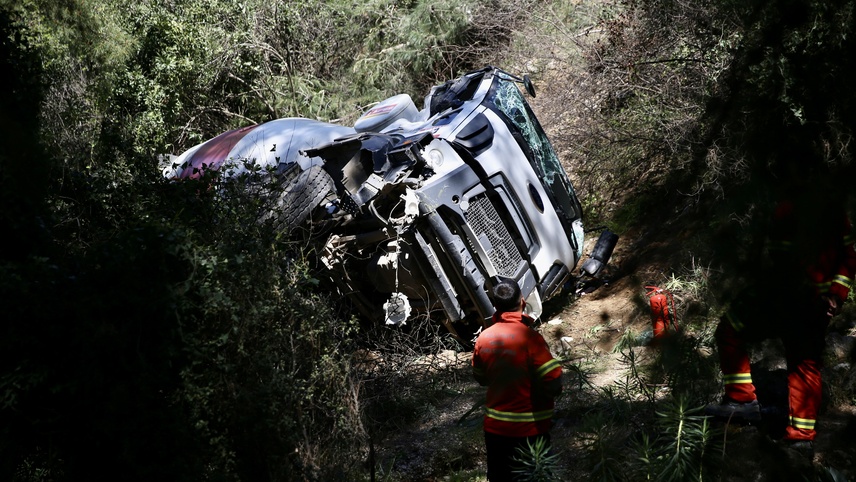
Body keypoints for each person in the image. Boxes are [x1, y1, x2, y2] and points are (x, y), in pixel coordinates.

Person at [705, 167, 856, 451]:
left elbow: (781, 262)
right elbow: (849, 257)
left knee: (730, 328)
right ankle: (801, 436)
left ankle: (741, 400)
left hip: (786, 299)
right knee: (804, 363)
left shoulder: (787, 210)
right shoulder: (837, 214)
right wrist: (836, 295)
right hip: (818, 305)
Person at [472, 278, 562, 481]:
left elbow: (480, 378)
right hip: (530, 430)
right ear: (522, 301)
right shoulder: (530, 339)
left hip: (495, 431)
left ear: (495, 306)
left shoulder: (483, 338)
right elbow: (553, 379)